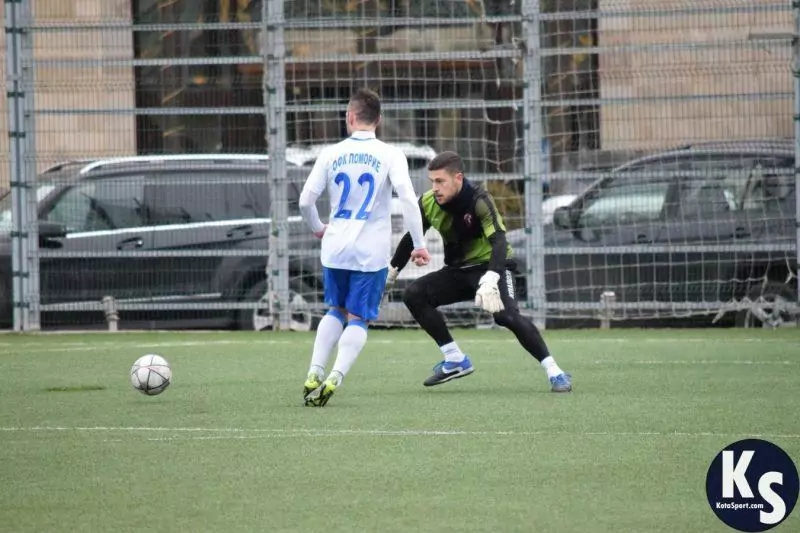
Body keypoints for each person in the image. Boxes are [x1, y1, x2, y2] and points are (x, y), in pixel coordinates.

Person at [386, 151, 572, 392]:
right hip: (457, 271)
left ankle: (555, 372)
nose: (435, 188)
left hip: (493, 266)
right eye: (432, 181)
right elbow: (412, 236)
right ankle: (455, 359)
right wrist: (391, 274)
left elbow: (499, 241)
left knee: (505, 316)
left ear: (458, 178)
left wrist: (492, 277)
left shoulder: (479, 200)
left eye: (440, 181)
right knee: (414, 294)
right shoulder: (429, 202)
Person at [298, 88, 430, 406]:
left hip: (335, 248)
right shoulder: (390, 154)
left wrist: (318, 228)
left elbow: (305, 201)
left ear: (350, 117)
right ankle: (335, 377)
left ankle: (314, 371)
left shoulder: (330, 153)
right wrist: (419, 244)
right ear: (378, 120)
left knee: (336, 310)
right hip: (371, 253)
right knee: (359, 317)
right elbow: (408, 199)